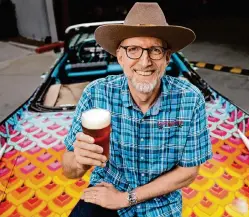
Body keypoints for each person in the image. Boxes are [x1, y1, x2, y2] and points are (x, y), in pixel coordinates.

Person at [62, 2, 212, 217]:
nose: (144, 62)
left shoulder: (189, 98)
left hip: (161, 205)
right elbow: (68, 169)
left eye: (155, 50)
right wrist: (79, 160)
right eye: (133, 50)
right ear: (120, 56)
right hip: (103, 194)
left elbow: (188, 172)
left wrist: (126, 198)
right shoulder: (96, 94)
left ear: (167, 57)